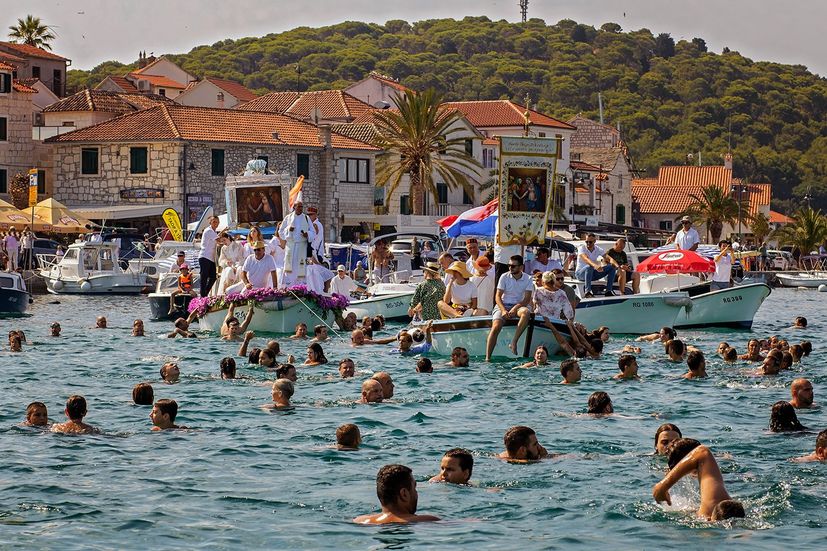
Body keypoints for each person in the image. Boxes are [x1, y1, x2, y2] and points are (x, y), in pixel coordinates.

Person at [653, 439, 745, 520]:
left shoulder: (713, 501)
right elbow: (702, 451)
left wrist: (662, 487)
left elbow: (702, 451)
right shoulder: (713, 501)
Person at [353, 464, 440, 524]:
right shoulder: (427, 520)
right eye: (414, 488)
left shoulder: (360, 520)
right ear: (404, 494)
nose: (416, 493)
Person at [485, 255, 533, 360]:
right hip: (503, 304)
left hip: (519, 305)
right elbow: (497, 296)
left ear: (521, 267)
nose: (510, 268)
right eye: (509, 265)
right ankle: (487, 358)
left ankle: (514, 341)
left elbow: (526, 299)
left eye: (513, 266)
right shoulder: (504, 276)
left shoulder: (528, 278)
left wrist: (515, 308)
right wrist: (503, 310)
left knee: (526, 313)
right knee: (496, 326)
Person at [278, 201, 315, 286]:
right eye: (298, 207)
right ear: (294, 207)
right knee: (290, 267)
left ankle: (300, 287)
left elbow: (313, 232)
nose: (300, 208)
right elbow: (280, 232)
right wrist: (288, 230)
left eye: (301, 207)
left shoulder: (306, 218)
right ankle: (289, 285)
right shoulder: (288, 218)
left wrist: (307, 234)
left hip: (302, 246)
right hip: (290, 246)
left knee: (300, 267)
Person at [575, 233, 617, 298]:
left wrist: (617, 266)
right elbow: (586, 259)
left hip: (592, 273)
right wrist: (595, 266)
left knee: (612, 267)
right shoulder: (582, 248)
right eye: (586, 241)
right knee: (589, 266)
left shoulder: (598, 249)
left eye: (590, 242)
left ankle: (608, 291)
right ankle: (588, 292)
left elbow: (608, 258)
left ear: (594, 241)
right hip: (580, 274)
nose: (588, 243)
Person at [198, 216, 220, 296]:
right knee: (204, 276)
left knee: (213, 277)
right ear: (210, 222)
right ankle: (203, 295)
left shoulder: (214, 232)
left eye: (217, 222)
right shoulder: (209, 231)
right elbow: (219, 241)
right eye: (214, 221)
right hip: (205, 256)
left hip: (210, 258)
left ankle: (204, 294)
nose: (215, 223)